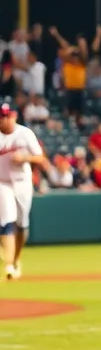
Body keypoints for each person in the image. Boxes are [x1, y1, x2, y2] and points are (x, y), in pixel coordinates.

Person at [0, 102, 50, 279]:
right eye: (2, 116)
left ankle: (15, 259)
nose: (4, 119)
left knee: (22, 224)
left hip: (22, 183)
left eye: (7, 115)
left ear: (14, 116)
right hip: (2, 183)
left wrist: (25, 157)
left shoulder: (25, 133)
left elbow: (41, 158)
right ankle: (8, 265)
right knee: (7, 221)